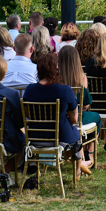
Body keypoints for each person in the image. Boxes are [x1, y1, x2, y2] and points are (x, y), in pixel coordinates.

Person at [22, 53, 82, 184]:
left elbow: (28, 115)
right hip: (61, 136)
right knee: (76, 132)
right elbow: (74, 119)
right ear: (56, 69)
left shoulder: (30, 90)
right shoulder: (65, 90)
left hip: (36, 137)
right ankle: (77, 170)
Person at [58, 46, 100, 174]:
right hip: (77, 118)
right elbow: (86, 103)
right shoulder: (81, 77)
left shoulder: (56, 78)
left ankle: (81, 153)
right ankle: (89, 153)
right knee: (97, 118)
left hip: (61, 119)